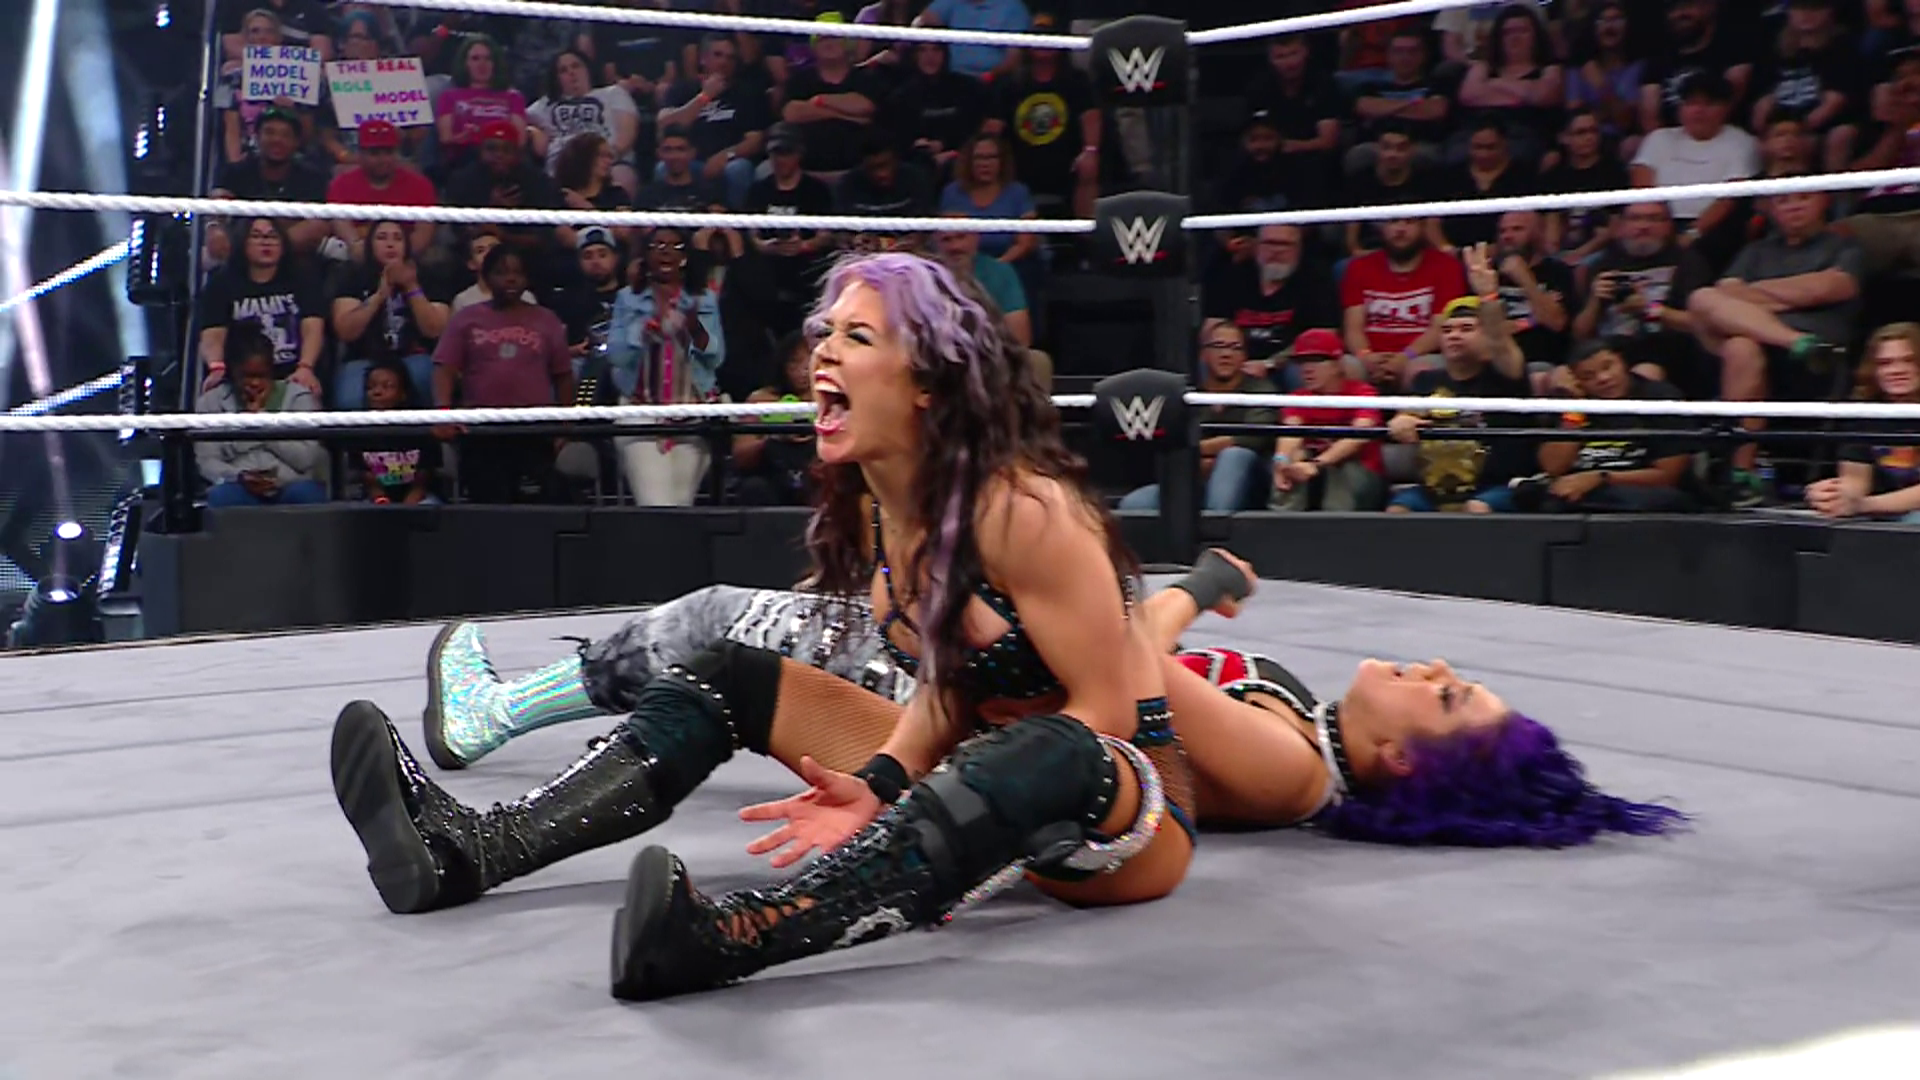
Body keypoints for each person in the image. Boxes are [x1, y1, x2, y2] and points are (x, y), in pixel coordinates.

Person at [330, 270, 1683, 996]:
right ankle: (475, 848)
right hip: (1001, 735)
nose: (1436, 669)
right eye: (829, 332)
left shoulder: (1292, 761)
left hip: (1122, 810)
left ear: (1402, 767)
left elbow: (1115, 698)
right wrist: (883, 768)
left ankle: (741, 937)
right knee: (732, 664)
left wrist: (1132, 615)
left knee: (1051, 749)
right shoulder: (900, 506)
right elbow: (969, 677)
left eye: (1448, 699)